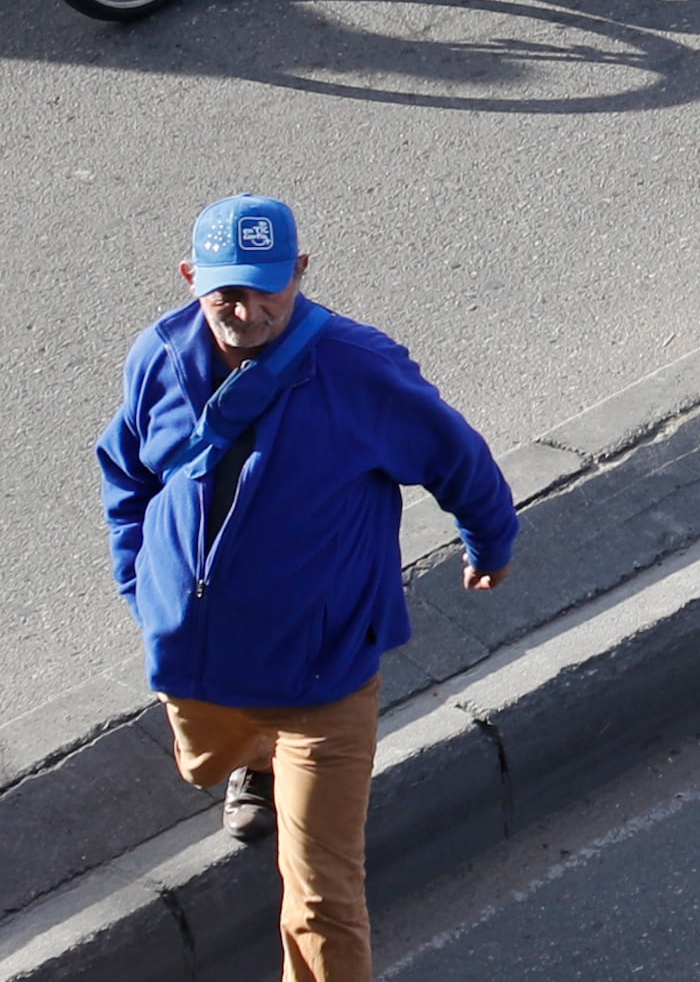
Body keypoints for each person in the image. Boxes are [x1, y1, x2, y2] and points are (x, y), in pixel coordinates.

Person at [96, 197, 512, 982]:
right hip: (195, 660)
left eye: (266, 290)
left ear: (301, 273)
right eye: (225, 293)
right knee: (200, 761)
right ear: (191, 280)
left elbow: (456, 456)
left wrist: (490, 538)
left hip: (323, 675)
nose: (246, 311)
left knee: (321, 899)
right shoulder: (158, 357)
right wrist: (140, 582)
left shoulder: (360, 369)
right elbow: (125, 471)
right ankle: (254, 759)